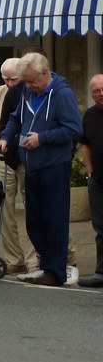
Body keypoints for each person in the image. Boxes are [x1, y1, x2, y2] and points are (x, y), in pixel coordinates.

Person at [0, 53, 82, 287]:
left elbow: (74, 128)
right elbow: (15, 118)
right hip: (31, 164)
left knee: (54, 220)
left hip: (54, 164)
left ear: (45, 73)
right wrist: (5, 137)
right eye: (26, 82)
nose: (30, 86)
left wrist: (42, 138)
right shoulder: (27, 90)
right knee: (34, 221)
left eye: (32, 81)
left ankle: (55, 272)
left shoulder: (62, 94)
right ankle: (48, 265)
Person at [0, 58, 37, 275]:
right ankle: (13, 258)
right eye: (6, 79)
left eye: (14, 79)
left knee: (34, 208)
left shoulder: (32, 92)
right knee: (3, 209)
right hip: (3, 157)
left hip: (27, 158)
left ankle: (34, 260)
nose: (10, 83)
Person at [78, 73, 103, 288]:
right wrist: (89, 171)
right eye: (96, 91)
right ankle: (100, 273)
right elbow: (85, 143)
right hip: (98, 181)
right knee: (100, 228)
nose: (101, 93)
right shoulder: (90, 115)